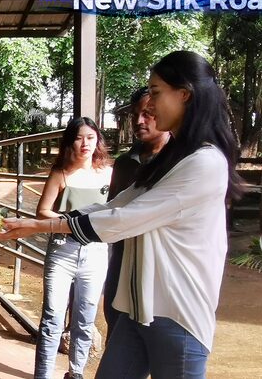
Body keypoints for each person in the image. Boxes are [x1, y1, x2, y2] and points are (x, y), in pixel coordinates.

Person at [0, 51, 242, 379]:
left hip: (177, 315)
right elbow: (116, 204)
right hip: (135, 311)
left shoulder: (205, 163)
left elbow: (125, 219)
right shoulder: (168, 159)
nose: (149, 107)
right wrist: (38, 224)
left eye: (155, 93)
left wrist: (46, 225)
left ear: (184, 94)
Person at [32, 117, 112, 379]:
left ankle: (75, 373)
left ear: (97, 140)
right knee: (52, 318)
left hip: (96, 252)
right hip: (62, 250)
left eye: (90, 137)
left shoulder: (108, 174)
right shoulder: (60, 173)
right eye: (79, 137)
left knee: (85, 318)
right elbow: (42, 211)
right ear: (70, 142)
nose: (85, 143)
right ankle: (43, 375)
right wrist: (71, 222)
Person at [103, 87, 170, 340]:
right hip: (122, 260)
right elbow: (112, 210)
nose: (139, 121)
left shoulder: (179, 163)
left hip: (159, 264)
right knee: (117, 329)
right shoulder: (124, 163)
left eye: (148, 113)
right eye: (135, 115)